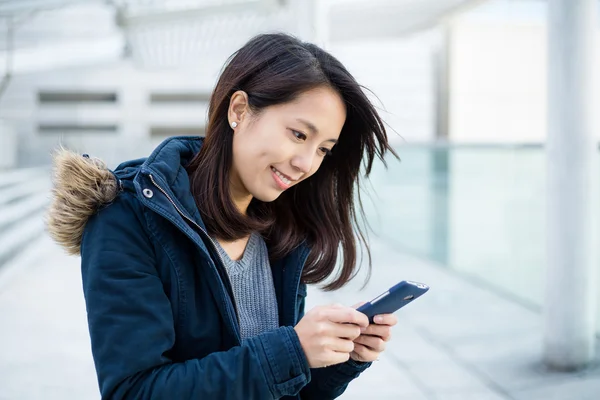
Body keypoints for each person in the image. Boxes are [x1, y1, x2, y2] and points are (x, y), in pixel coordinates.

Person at [47, 32, 399, 399]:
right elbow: (134, 391)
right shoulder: (126, 219)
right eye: (298, 134)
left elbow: (282, 387)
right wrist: (292, 350)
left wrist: (338, 356)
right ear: (239, 110)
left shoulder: (282, 228)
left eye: (323, 150)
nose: (305, 164)